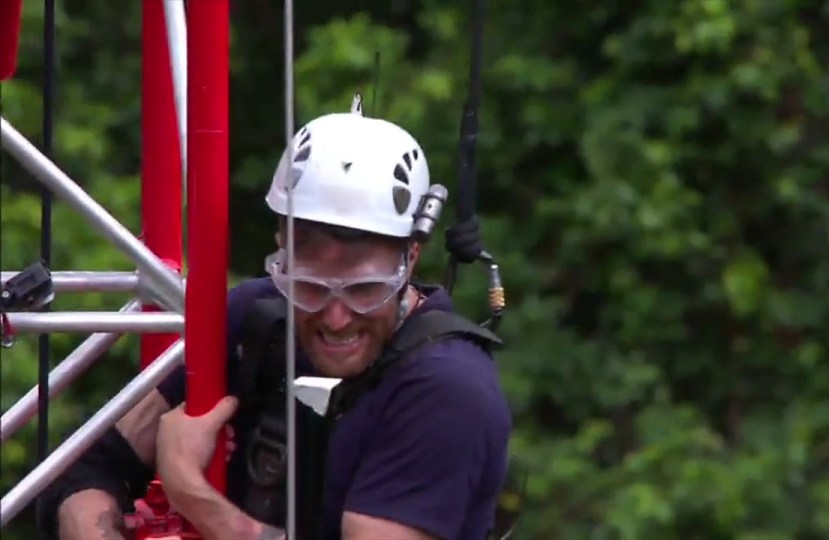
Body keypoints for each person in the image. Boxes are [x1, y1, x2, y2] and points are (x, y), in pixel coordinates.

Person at [39, 112, 513, 540]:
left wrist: (189, 489)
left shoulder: (447, 388)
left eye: (364, 289)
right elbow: (84, 471)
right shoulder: (255, 319)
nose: (335, 316)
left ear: (410, 261)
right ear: (280, 250)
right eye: (308, 285)